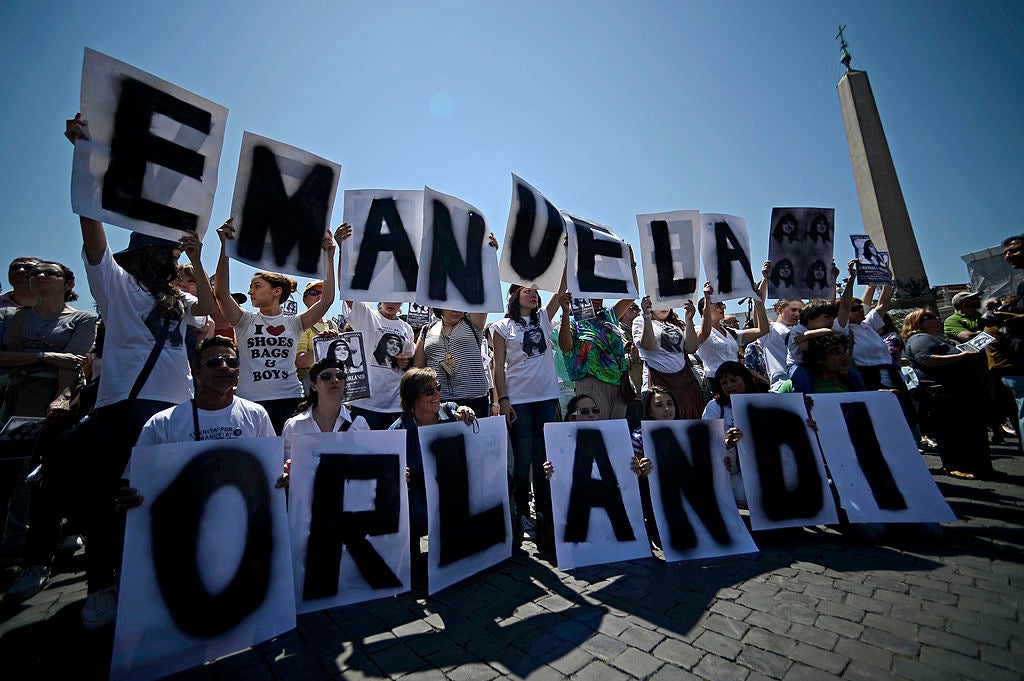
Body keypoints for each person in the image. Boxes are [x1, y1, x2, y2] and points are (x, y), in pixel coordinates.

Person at [1, 261, 97, 599]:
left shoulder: (81, 319)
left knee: (46, 478)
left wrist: (60, 398)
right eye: (34, 274)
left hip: (56, 406)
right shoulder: (10, 317)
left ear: (67, 282)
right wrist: (46, 354)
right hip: (11, 403)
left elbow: (72, 364)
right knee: (9, 474)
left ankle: (38, 558)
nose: (38, 278)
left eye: (49, 273)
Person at [214, 218, 336, 434]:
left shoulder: (294, 322)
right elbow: (221, 294)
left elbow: (326, 301)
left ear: (276, 291)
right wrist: (225, 247)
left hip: (290, 400)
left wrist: (329, 258)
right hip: (250, 402)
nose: (250, 292)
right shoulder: (245, 321)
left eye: (256, 286)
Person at [491, 284, 565, 541]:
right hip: (519, 401)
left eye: (535, 291)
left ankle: (544, 511)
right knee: (523, 460)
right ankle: (522, 512)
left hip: (547, 399)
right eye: (527, 291)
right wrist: (503, 399)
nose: (534, 294)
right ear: (514, 297)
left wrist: (566, 254)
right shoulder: (500, 327)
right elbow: (498, 367)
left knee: (544, 458)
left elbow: (561, 289)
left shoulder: (544, 317)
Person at [903, 309, 1002, 480]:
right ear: (919, 322)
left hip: (960, 390)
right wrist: (961, 357)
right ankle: (954, 466)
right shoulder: (920, 338)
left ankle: (982, 467)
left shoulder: (934, 337)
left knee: (972, 431)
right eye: (932, 317)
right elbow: (926, 358)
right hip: (945, 392)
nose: (938, 319)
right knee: (952, 432)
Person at [387, 369, 476, 554]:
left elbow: (455, 407)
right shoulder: (398, 431)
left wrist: (466, 410)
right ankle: (410, 559)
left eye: (438, 388)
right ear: (412, 398)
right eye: (429, 391)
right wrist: (397, 474)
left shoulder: (452, 414)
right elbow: (388, 474)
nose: (437, 394)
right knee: (412, 512)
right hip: (420, 492)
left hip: (452, 488)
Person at [278, 357, 370, 486]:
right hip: (306, 500)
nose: (335, 380)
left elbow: (367, 467)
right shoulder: (294, 425)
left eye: (340, 375)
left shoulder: (359, 423)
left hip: (348, 500)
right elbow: (283, 469)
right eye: (326, 376)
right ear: (314, 386)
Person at [632, 296, 704, 419]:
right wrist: (647, 316)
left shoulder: (676, 324)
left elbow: (692, 348)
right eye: (659, 303)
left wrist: (689, 319)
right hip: (658, 381)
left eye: (668, 303)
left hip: (685, 382)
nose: (664, 307)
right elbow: (647, 345)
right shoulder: (640, 320)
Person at [695, 267, 770, 379]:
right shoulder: (696, 330)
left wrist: (758, 302)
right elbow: (705, 332)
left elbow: (763, 330)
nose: (723, 307)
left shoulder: (730, 332)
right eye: (718, 304)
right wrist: (707, 297)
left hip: (736, 379)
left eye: (722, 304)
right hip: (715, 380)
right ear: (705, 308)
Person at [701, 362, 752, 508]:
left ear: (745, 380)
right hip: (730, 471)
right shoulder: (714, 407)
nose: (729, 386)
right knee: (744, 497)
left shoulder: (760, 401)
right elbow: (705, 442)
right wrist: (726, 444)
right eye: (724, 383)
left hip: (759, 468)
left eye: (733, 380)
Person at [295, 280, 340, 393]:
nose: (320, 296)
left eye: (323, 293)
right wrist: (322, 345)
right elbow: (300, 362)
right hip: (311, 383)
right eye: (314, 292)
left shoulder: (332, 325)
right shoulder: (300, 323)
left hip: (333, 380)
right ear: (305, 299)